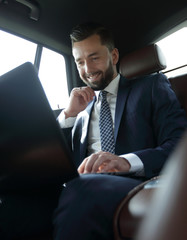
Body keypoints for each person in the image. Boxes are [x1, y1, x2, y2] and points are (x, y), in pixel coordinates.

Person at [53, 22, 187, 240]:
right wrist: (68, 115)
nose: (87, 70)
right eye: (80, 62)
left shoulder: (151, 87)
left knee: (82, 190)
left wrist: (125, 161)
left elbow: (179, 146)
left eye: (94, 57)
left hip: (134, 183)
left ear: (114, 56)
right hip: (79, 186)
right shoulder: (79, 110)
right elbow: (59, 162)